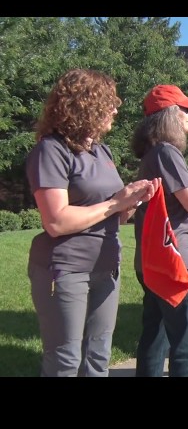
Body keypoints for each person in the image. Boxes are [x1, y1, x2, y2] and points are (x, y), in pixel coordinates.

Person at [26, 68, 159, 377]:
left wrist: (132, 202)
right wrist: (116, 202)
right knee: (65, 362)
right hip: (66, 270)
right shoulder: (51, 150)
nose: (116, 107)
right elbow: (56, 221)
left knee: (97, 359)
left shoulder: (101, 151)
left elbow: (110, 213)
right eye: (109, 102)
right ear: (86, 104)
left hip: (106, 268)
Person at [132, 84, 188, 377]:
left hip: (152, 259)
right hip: (175, 260)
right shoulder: (167, 152)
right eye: (185, 110)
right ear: (169, 115)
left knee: (155, 335)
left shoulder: (151, 154)